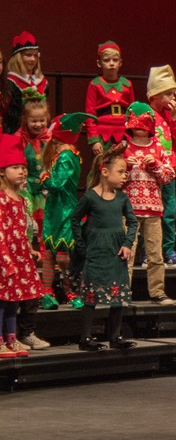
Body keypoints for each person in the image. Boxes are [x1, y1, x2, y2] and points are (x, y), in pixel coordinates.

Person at [70, 144, 137, 351]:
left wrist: (127, 244)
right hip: (96, 252)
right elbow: (74, 220)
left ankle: (115, 336)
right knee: (91, 297)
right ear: (105, 172)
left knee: (117, 298)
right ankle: (85, 337)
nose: (124, 176)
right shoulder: (90, 197)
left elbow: (133, 222)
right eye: (120, 172)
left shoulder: (122, 198)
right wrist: (82, 248)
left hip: (116, 253)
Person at [122, 102, 175, 305]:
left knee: (155, 253)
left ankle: (157, 292)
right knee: (127, 253)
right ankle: (124, 292)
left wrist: (156, 167)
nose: (139, 129)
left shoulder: (158, 147)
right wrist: (127, 168)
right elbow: (114, 176)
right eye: (136, 125)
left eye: (143, 125)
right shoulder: (124, 147)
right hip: (129, 209)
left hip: (153, 208)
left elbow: (168, 176)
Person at [40, 112, 94, 309]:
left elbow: (58, 184)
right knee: (50, 253)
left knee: (63, 254)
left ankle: (70, 289)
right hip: (54, 209)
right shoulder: (61, 155)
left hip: (64, 209)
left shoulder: (66, 156)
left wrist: (45, 178)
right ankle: (47, 291)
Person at [0, 134, 44, 357]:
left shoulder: (22, 199)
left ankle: (11, 339)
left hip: (19, 257)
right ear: (2, 171)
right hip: (3, 258)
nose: (22, 171)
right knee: (1, 301)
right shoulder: (1, 199)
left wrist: (29, 250)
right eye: (15, 167)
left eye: (23, 167)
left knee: (12, 302)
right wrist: (5, 260)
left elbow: (21, 231)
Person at [14, 94, 50, 349]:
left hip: (43, 190)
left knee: (46, 231)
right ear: (25, 120)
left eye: (42, 120)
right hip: (25, 190)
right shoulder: (19, 139)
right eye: (33, 121)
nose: (38, 125)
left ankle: (47, 284)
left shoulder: (49, 140)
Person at [146, 65, 176, 269]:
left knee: (170, 210)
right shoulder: (146, 114)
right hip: (150, 173)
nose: (173, 97)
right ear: (155, 94)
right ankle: (149, 253)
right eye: (169, 93)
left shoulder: (168, 115)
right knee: (150, 213)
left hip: (168, 171)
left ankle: (169, 251)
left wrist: (174, 118)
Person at [85, 41, 134, 156]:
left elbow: (132, 112)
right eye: (107, 60)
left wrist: (132, 136)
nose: (111, 64)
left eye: (115, 60)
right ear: (99, 63)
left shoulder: (127, 84)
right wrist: (94, 140)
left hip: (123, 133)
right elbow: (90, 114)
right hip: (103, 134)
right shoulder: (95, 84)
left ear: (120, 62)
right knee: (103, 166)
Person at [4, 31, 46, 134]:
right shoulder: (10, 83)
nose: (33, 59)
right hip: (15, 134)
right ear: (18, 57)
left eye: (35, 56)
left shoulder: (42, 82)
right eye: (28, 55)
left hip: (38, 135)